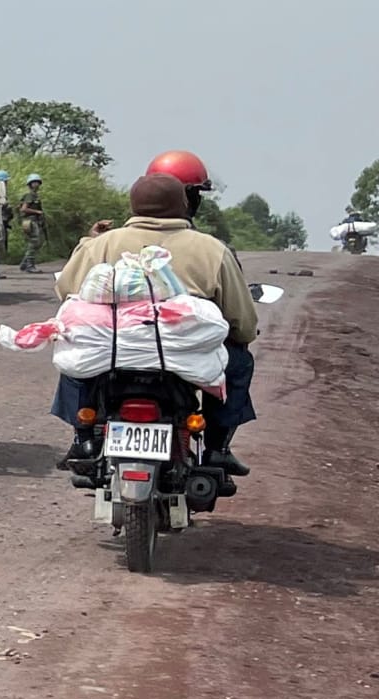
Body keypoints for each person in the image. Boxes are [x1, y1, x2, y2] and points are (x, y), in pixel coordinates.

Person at [49, 172, 258, 473]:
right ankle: (217, 448)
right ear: (184, 204)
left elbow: (66, 290)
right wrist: (242, 334)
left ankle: (83, 438)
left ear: (133, 205)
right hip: (184, 356)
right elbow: (241, 319)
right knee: (240, 363)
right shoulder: (212, 250)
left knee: (73, 356)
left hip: (113, 351)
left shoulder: (102, 245)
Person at [17, 174, 46, 273]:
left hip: (34, 221)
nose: (37, 184)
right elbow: (24, 209)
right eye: (34, 182)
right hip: (30, 221)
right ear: (30, 184)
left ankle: (25, 264)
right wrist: (38, 212)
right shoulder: (30, 195)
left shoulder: (34, 195)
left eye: (38, 182)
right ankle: (29, 265)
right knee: (34, 242)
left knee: (36, 242)